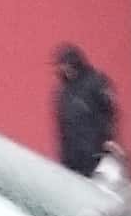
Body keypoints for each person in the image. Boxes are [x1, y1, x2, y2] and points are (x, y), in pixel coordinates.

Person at [51, 43, 120, 178]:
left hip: (96, 154)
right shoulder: (64, 91)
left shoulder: (95, 83)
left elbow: (110, 112)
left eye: (66, 65)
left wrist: (108, 138)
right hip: (71, 157)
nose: (64, 70)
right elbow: (62, 125)